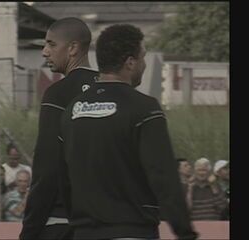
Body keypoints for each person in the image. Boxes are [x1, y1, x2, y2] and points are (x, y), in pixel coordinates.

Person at [59, 24, 198, 240]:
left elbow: (63, 177)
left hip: (83, 232)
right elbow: (163, 175)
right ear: (130, 62)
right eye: (142, 57)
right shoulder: (144, 108)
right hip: (131, 230)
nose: (144, 64)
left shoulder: (72, 110)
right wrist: (185, 233)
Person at [20, 17, 99, 240]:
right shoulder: (111, 91)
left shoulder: (58, 93)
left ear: (73, 48)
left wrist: (30, 229)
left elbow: (48, 166)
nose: (45, 52)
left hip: (62, 221)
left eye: (51, 44)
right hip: (106, 223)